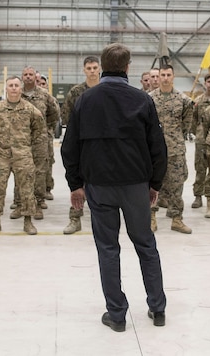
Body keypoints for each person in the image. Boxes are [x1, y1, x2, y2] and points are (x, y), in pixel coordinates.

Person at [61, 43, 167, 332]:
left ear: (103, 67)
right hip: (135, 186)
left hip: (100, 186)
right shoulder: (142, 100)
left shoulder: (85, 100)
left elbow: (70, 147)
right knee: (145, 244)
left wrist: (75, 184)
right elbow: (158, 147)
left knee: (108, 248)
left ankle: (117, 314)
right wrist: (154, 183)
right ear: (128, 67)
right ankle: (157, 308)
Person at [0, 77, 45, 235]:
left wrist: (27, 145)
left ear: (21, 88)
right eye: (10, 85)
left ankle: (28, 222)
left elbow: (39, 129)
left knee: (26, 189)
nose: (13, 88)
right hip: (1, 154)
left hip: (22, 154)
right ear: (6, 88)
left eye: (16, 85)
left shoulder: (30, 109)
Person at [149, 64, 194, 234]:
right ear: (158, 77)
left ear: (173, 77)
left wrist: (175, 138)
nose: (165, 78)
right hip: (154, 151)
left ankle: (177, 219)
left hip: (175, 150)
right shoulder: (150, 98)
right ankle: (151, 218)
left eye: (169, 74)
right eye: (163, 75)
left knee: (177, 186)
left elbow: (187, 124)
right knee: (153, 186)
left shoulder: (183, 100)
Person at [60, 55, 101, 235]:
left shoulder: (105, 89)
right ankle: (75, 218)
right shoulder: (76, 92)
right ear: (84, 70)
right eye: (89, 68)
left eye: (94, 68)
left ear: (100, 69)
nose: (92, 71)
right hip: (83, 142)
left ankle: (101, 220)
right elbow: (68, 116)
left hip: (103, 143)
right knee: (79, 180)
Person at [14, 66, 59, 216]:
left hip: (40, 140)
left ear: (36, 77)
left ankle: (38, 203)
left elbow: (54, 114)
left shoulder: (44, 95)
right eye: (25, 74)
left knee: (39, 171)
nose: (28, 77)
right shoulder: (16, 94)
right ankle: (20, 203)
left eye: (30, 74)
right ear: (22, 77)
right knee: (20, 170)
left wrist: (45, 129)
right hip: (20, 139)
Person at [190, 73, 210, 212]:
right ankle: (198, 196)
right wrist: (198, 133)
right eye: (209, 81)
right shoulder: (199, 100)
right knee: (200, 169)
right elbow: (193, 119)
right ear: (205, 84)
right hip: (201, 139)